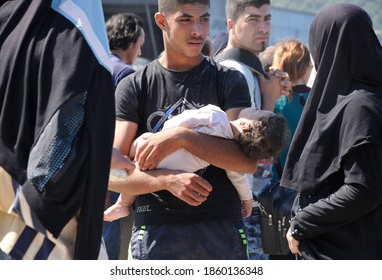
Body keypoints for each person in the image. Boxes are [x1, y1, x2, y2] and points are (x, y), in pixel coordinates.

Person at [110, 0, 259, 260]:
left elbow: (245, 161)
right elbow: (112, 175)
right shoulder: (134, 85)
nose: (198, 31)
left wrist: (182, 137)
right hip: (156, 230)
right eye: (186, 19)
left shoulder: (228, 79)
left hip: (222, 229)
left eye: (204, 19)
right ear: (161, 21)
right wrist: (168, 180)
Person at [0, 0, 114, 259]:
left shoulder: (1, 13)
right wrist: (41, 201)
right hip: (37, 227)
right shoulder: (77, 27)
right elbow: (67, 124)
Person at [283, 3, 382, 260]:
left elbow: (364, 189)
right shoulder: (364, 98)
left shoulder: (359, 105)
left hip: (347, 251)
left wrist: (303, 222)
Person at [104, 104, 287, 221]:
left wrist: (166, 134)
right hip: (173, 166)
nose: (253, 107)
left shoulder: (217, 116)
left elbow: (186, 119)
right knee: (138, 167)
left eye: (256, 110)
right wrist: (247, 200)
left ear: (246, 124)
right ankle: (123, 205)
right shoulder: (230, 152)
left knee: (135, 158)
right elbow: (238, 178)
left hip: (158, 148)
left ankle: (122, 204)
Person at [214, 0, 289, 260]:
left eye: (267, 19)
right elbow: (242, 146)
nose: (263, 28)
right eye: (253, 19)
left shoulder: (247, 69)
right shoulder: (236, 71)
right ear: (232, 25)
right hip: (239, 203)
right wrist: (269, 102)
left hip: (242, 200)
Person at [102, 12, 145, 260]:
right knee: (110, 248)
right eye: (139, 46)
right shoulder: (126, 75)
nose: (139, 52)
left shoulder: (93, 64)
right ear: (130, 42)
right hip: (115, 170)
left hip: (86, 167)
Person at [271, 38, 312, 182]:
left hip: (275, 184)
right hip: (311, 183)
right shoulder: (318, 100)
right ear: (306, 67)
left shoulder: (272, 100)